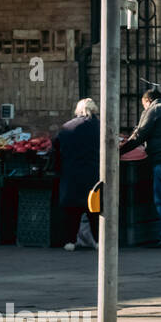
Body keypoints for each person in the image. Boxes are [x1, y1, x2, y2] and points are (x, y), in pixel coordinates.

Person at [119, 88, 161, 248]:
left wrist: (120, 150)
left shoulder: (153, 110)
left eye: (143, 104)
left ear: (147, 100)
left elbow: (139, 135)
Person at [54, 98, 100, 251]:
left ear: (78, 110)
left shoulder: (66, 128)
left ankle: (70, 241)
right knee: (95, 208)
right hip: (94, 173)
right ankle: (98, 240)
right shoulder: (101, 127)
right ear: (94, 110)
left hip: (71, 173)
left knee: (71, 209)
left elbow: (56, 150)